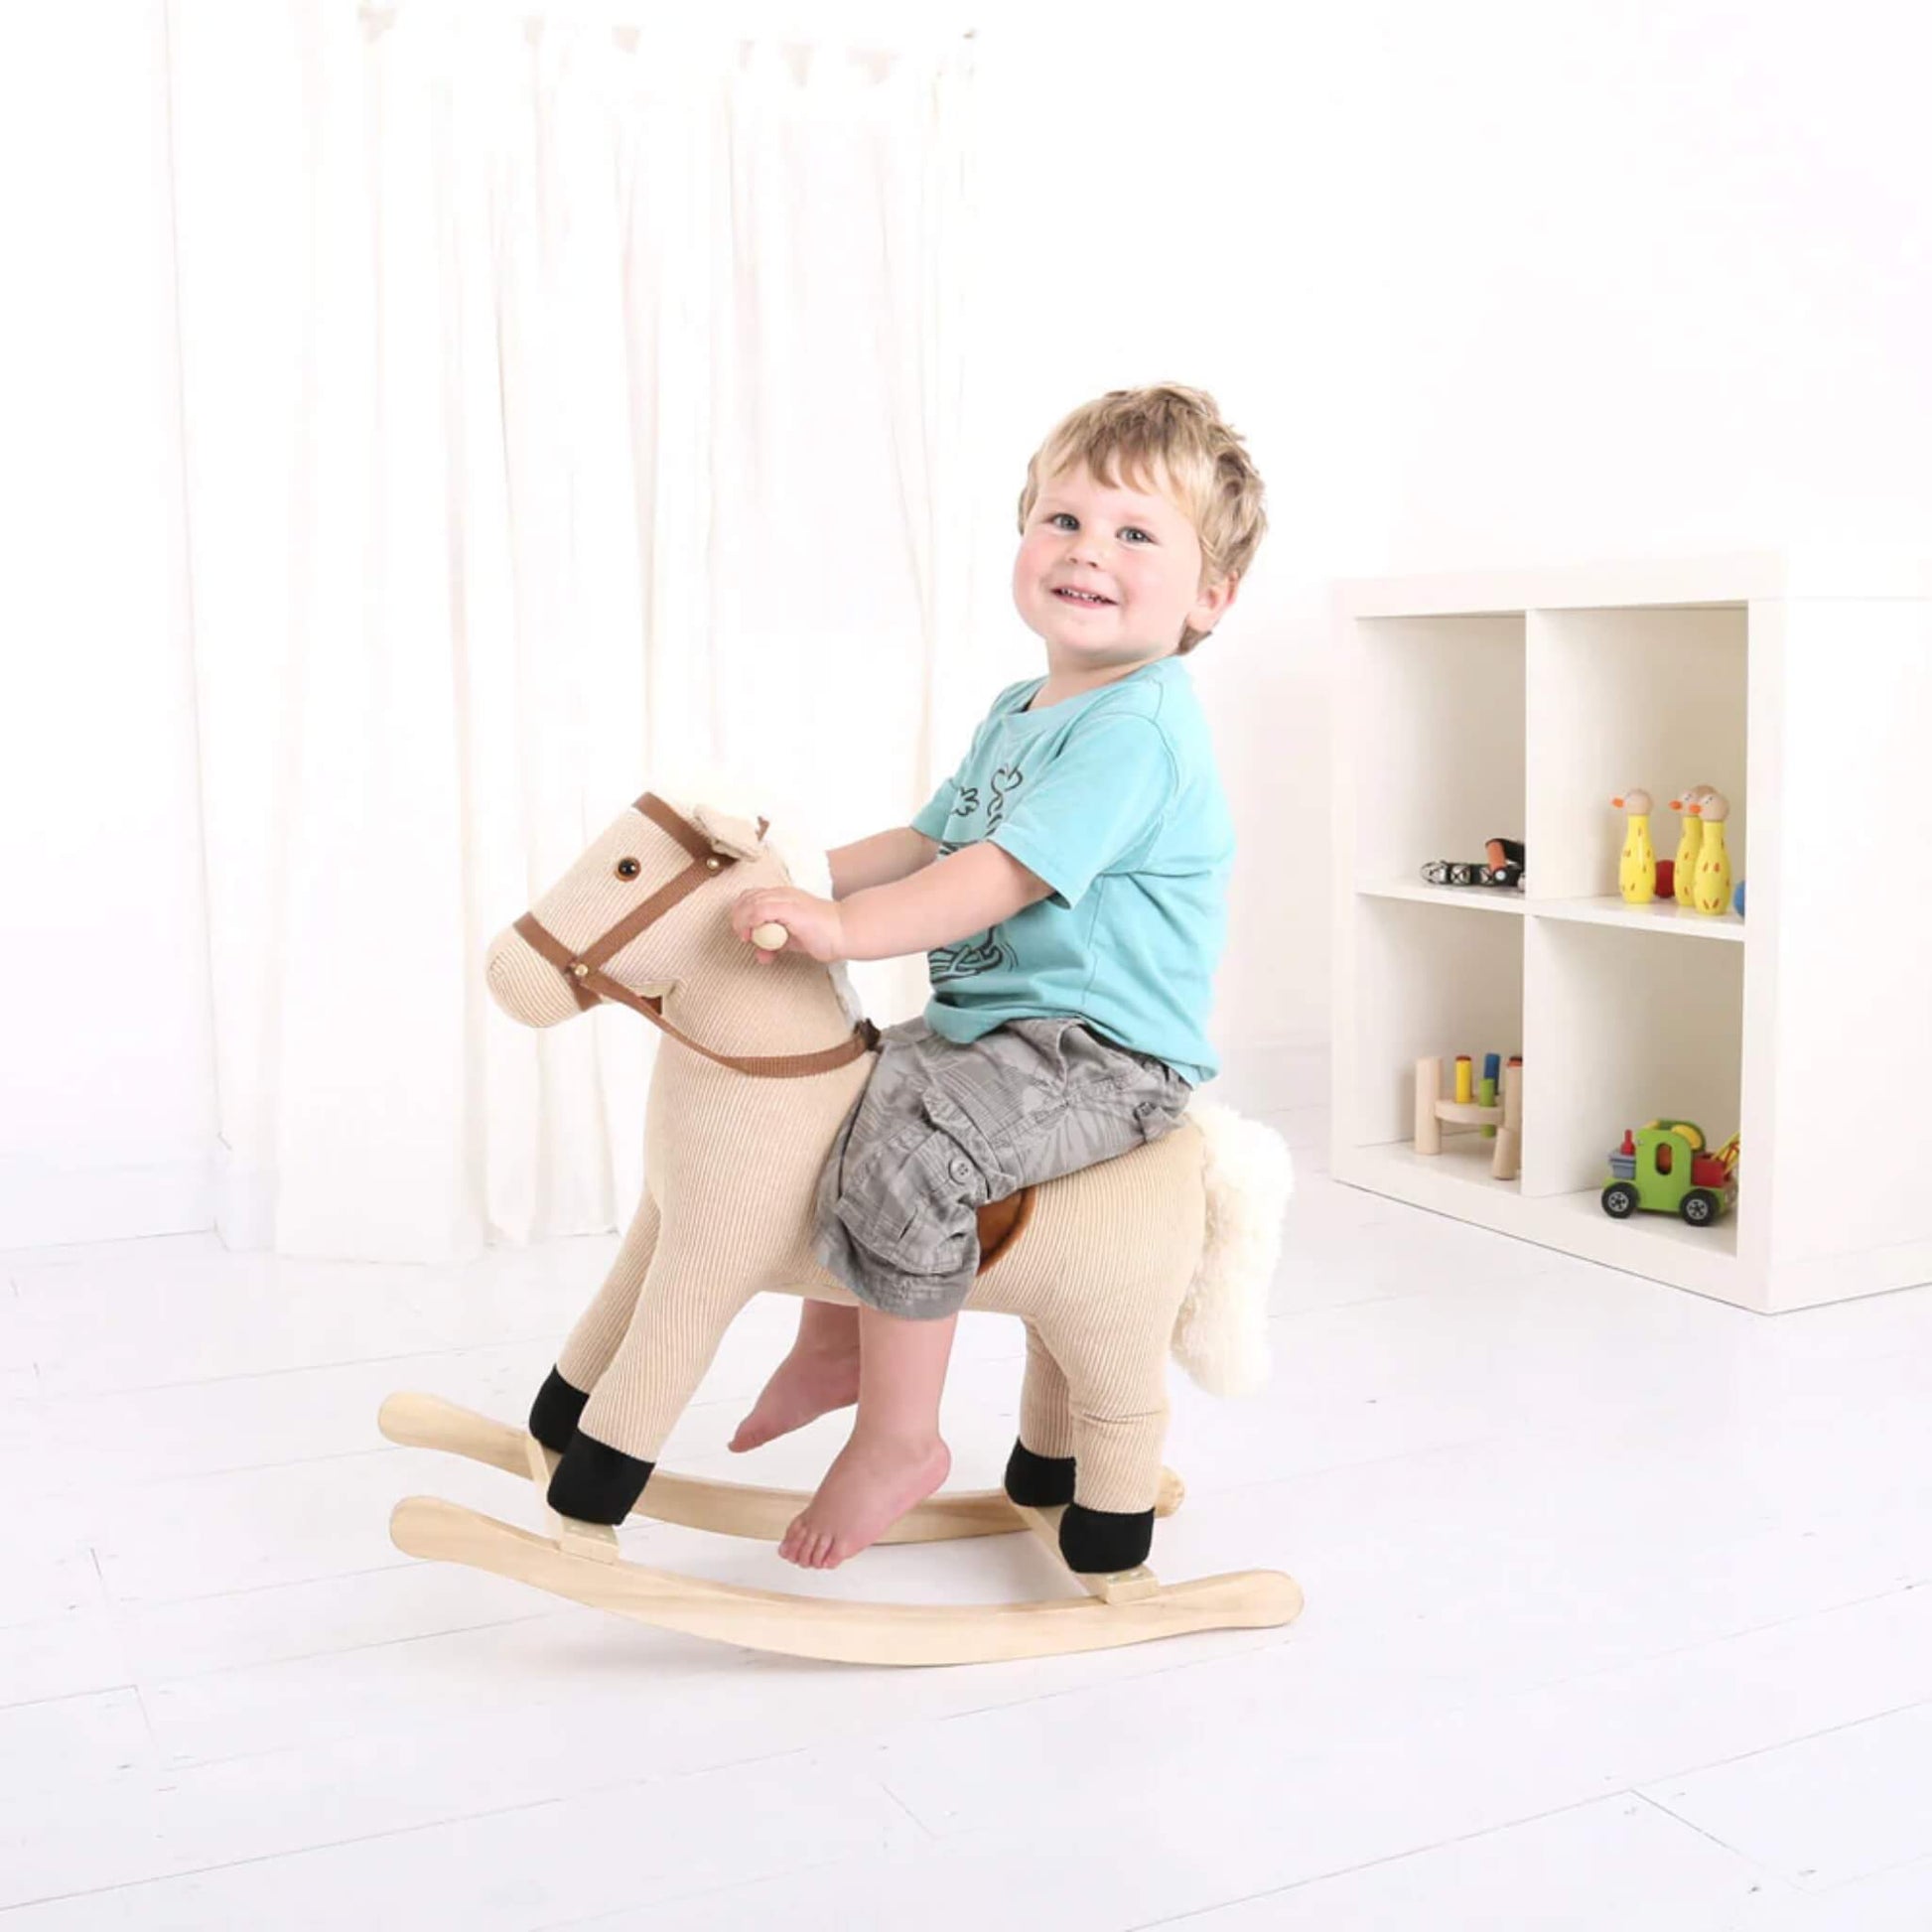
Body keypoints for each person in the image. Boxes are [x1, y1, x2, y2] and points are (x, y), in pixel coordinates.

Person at [726, 382, 1268, 1569]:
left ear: (1208, 596)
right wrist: (786, 869)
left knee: (919, 1161)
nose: (1087, 552)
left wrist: (841, 929)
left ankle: (899, 1434)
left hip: (1097, 1053)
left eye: (1135, 534)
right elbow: (930, 840)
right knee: (840, 1095)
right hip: (998, 1029)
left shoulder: (1135, 728)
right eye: (1062, 519)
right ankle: (837, 1340)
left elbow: (994, 877)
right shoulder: (1019, 707)